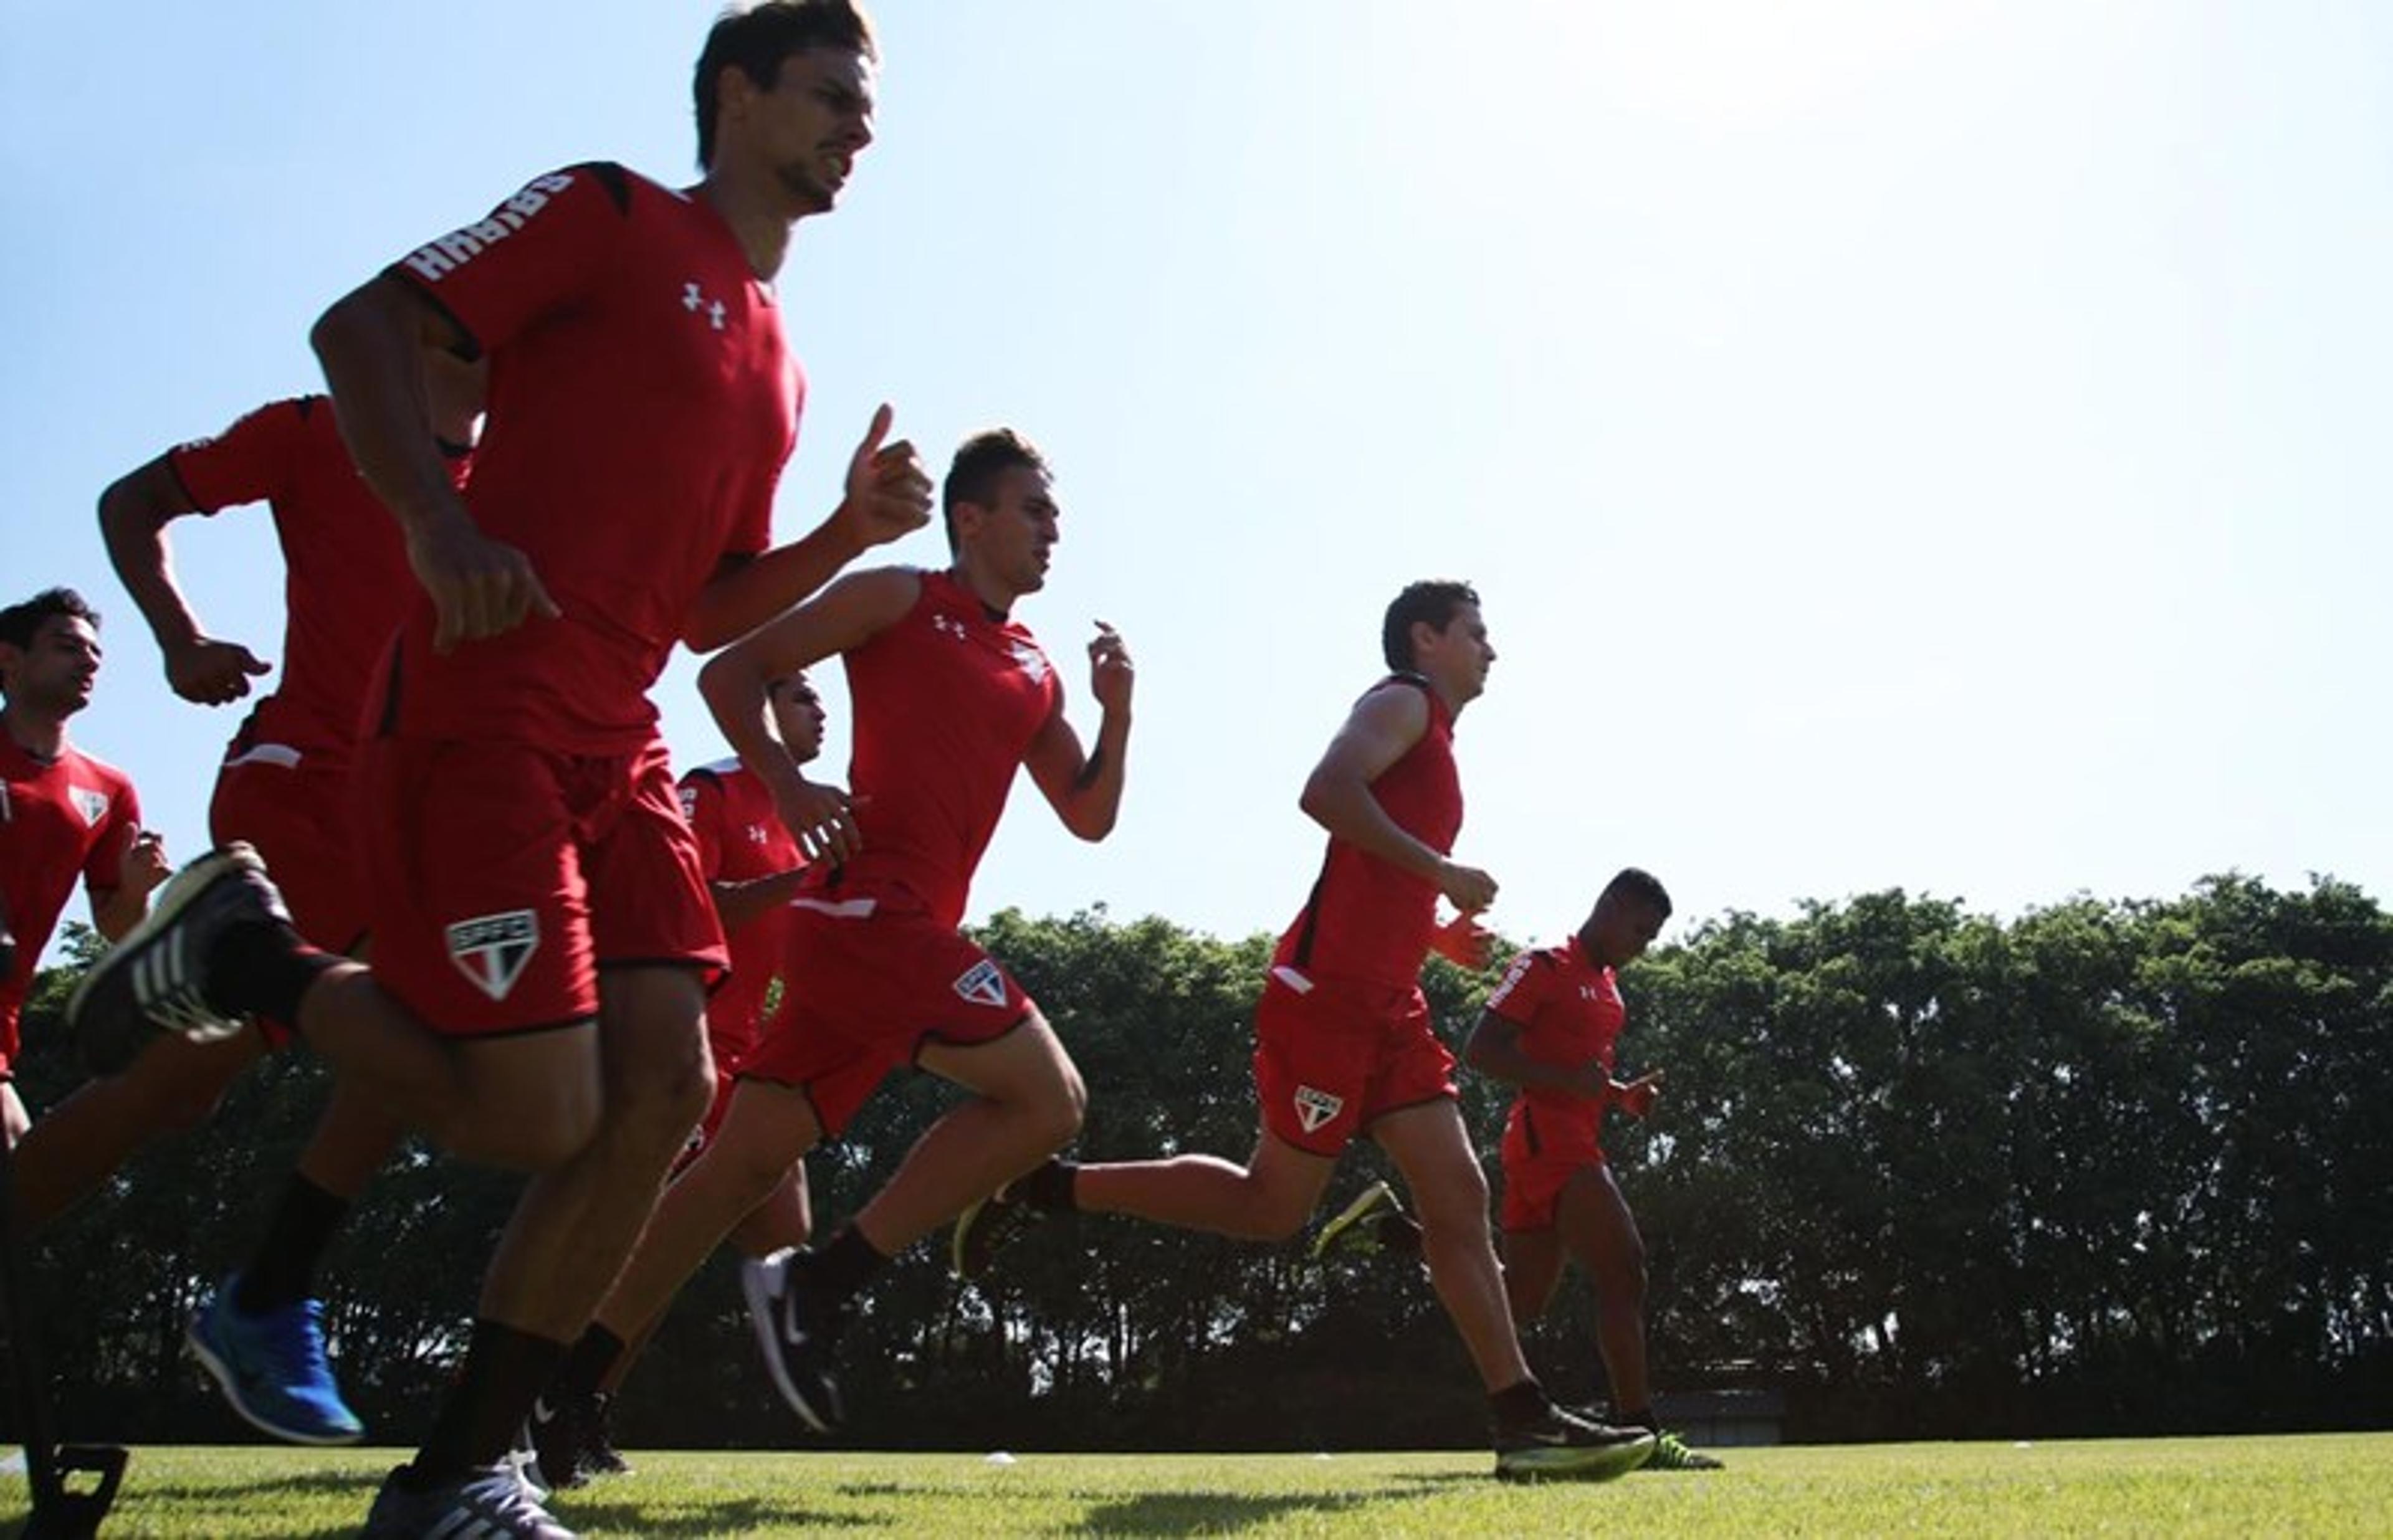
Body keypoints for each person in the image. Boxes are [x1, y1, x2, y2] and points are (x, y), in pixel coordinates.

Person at [68, 4, 925, 1536]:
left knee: (670, 1087)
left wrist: (841, 540)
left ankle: (459, 1475)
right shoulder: (606, 212)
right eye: (828, 97)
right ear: (734, 96)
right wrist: (435, 525)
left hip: (622, 742)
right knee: (534, 1115)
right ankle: (244, 950)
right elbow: (357, 326)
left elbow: (699, 604)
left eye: (868, 108)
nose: (857, 128)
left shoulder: (782, 365)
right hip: (484, 713)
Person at [953, 581, 1655, 1483]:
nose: (1493, 650)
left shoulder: (1434, 736)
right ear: (1426, 638)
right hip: (1323, 1001)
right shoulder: (1401, 700)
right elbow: (1325, 793)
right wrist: (1442, 870)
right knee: (1270, 1207)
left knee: (1457, 1198)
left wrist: (1433, 930)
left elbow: (1365, 869)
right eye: (1477, 633)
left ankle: (1521, 1421)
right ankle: (1041, 1187)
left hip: (1391, 1007)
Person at [550, 427, 1130, 1441]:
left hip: (889, 941)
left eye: (1057, 517)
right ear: (972, 518)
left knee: (732, 1172)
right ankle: (821, 1286)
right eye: (1035, 511)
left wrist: (1118, 713)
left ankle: (566, 1387)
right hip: (867, 913)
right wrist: (787, 779)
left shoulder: (1036, 666)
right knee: (1050, 1097)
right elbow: (730, 672)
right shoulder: (901, 597)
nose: (1053, 532)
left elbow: (1087, 815)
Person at [14, 358, 486, 1448]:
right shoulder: (316, 428)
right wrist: (179, 638)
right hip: (304, 781)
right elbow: (133, 503)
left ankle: (268, 1291)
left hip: (419, 816)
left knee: (192, 1080)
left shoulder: (530, 467)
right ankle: (271, 1295)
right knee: (413, 1023)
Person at [527, 670, 825, 1490]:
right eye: (803, 696)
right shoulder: (712, 791)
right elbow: (684, 906)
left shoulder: (803, 823)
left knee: (771, 1236)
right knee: (640, 1240)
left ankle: (573, 1402)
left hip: (758, 1060)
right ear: (762, 714)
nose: (821, 710)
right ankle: (528, 1400)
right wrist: (790, 888)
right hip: (685, 1048)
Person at [1321, 869, 1722, 1471]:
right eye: (1641, 929)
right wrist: (1574, 1084)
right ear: (1609, 907)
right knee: (1624, 1269)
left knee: (1517, 1301)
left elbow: (1574, 1072)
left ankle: (1393, 1232)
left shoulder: (1607, 986)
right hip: (1549, 1145)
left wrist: (1617, 1096)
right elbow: (1482, 1050)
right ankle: (1643, 1433)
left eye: (1654, 935)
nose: (1645, 945)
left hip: (1568, 1140)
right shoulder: (1545, 967)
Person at [0, 589, 170, 1141]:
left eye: (96, 653)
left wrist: (138, 890)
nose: (89, 661)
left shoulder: (109, 790)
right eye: (67, 646)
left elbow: (119, 928)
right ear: (10, 660)